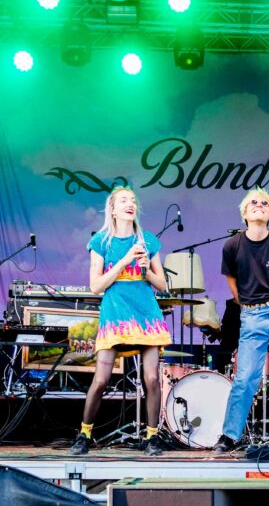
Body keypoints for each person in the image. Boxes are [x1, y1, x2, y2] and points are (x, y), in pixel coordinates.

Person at [70, 187, 172, 456]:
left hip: (146, 313)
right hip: (115, 313)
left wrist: (146, 270)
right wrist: (125, 261)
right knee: (101, 380)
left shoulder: (148, 241)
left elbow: (162, 285)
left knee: (152, 378)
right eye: (124, 200)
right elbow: (96, 286)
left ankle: (152, 437)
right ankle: (84, 434)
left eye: (133, 200)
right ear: (113, 209)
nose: (130, 204)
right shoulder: (101, 241)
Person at [213, 188, 269, 453]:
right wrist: (250, 304)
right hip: (252, 314)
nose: (259, 205)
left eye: (265, 203)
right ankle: (230, 435)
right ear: (244, 212)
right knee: (245, 379)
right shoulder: (232, 246)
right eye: (253, 202)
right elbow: (233, 283)